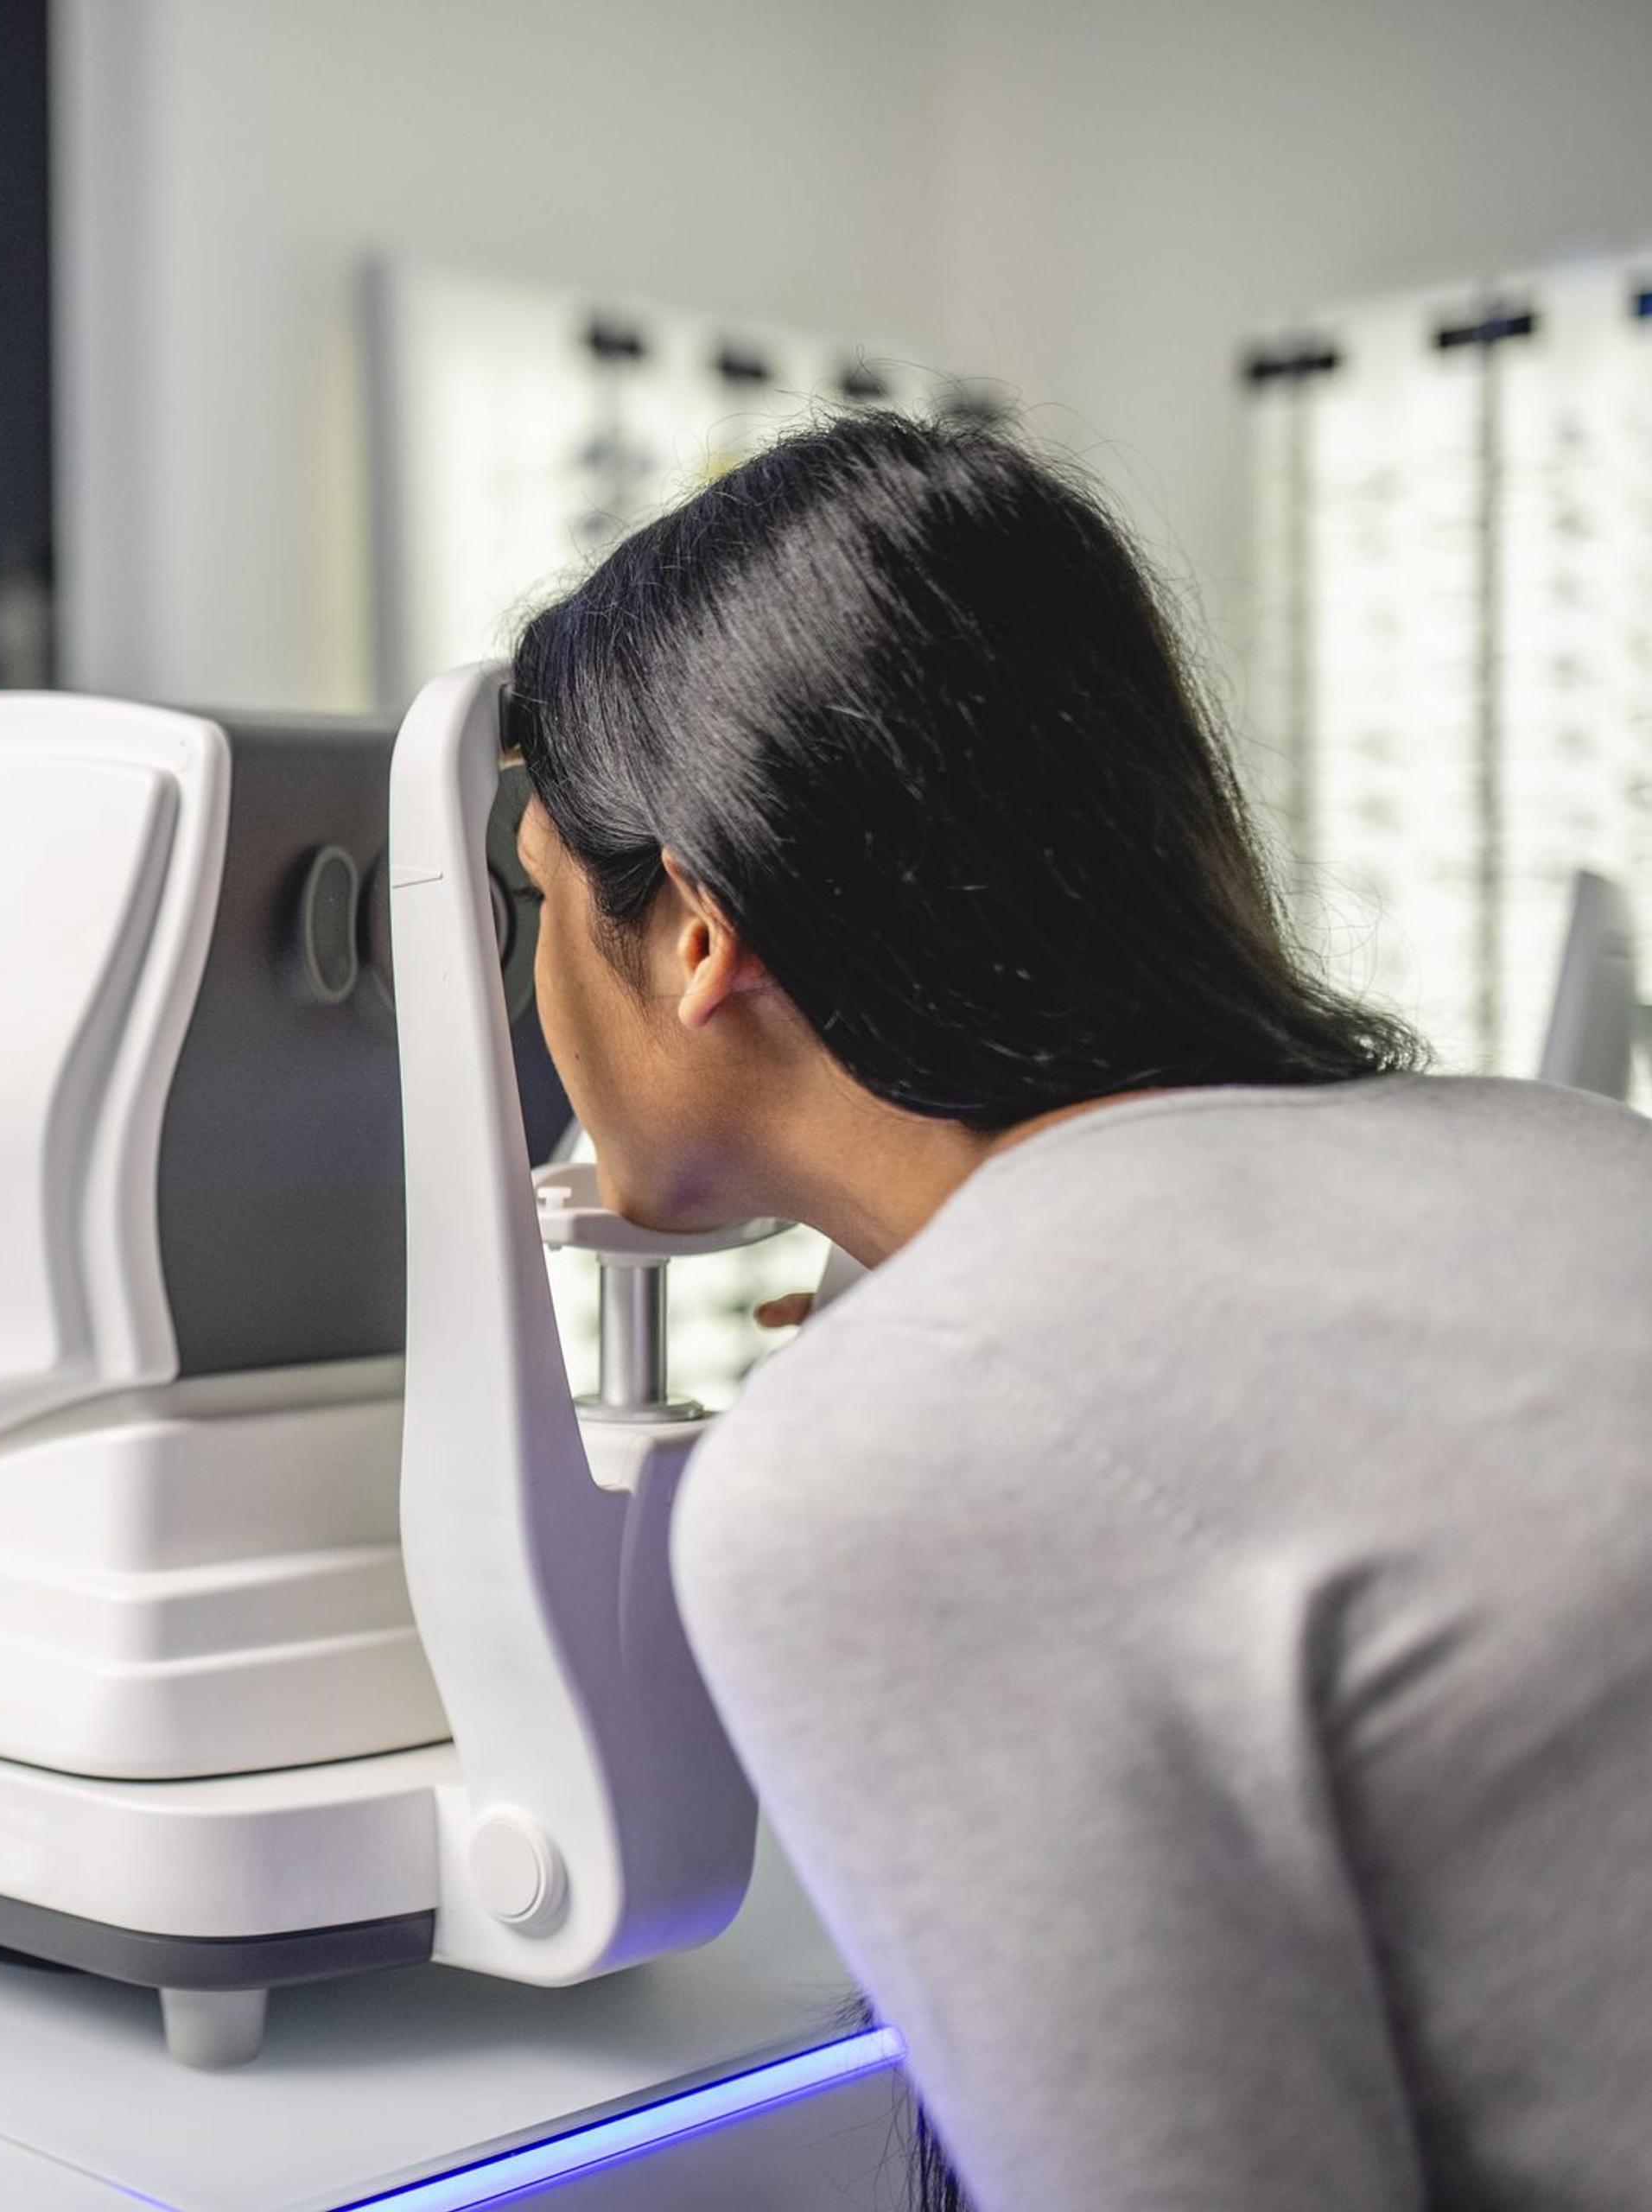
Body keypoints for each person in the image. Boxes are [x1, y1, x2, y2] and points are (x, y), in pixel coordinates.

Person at [501, 410, 1652, 2210]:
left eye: (538, 897)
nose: (529, 981)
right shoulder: (1572, 1146)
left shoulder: (902, 1448)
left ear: (700, 931)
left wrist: (933, 1398)